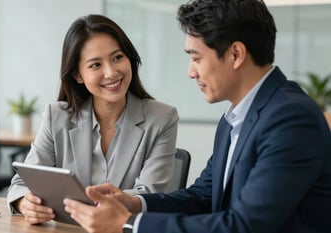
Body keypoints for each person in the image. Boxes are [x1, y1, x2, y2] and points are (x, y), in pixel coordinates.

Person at [62, 1, 331, 233]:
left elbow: (245, 227)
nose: (191, 72)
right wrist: (134, 204)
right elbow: (202, 197)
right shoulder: (235, 118)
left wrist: (129, 224)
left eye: (196, 58)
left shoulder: (290, 118)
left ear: (236, 54)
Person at [7, 14, 179, 225]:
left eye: (117, 57)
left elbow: (149, 195)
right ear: (78, 76)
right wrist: (25, 203)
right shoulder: (56, 116)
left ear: (130, 59)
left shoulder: (162, 118)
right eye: (95, 65)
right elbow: (22, 182)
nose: (111, 72)